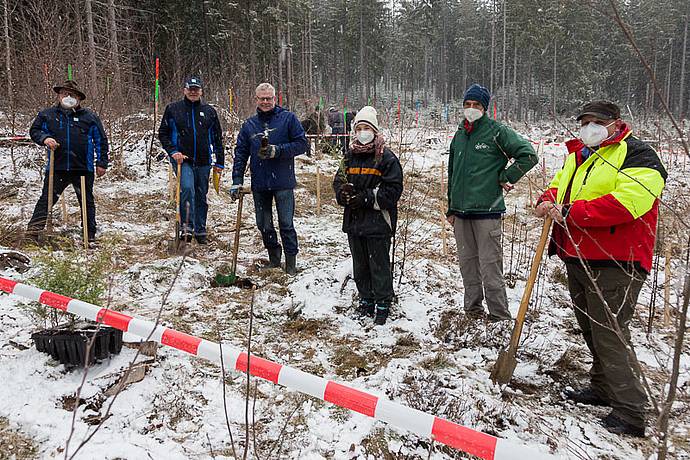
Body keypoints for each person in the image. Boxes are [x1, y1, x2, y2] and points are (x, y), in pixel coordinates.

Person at [535, 101, 666, 437]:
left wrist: (569, 211)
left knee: (610, 334)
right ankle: (602, 387)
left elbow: (629, 202)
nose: (590, 127)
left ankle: (631, 411)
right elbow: (559, 185)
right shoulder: (578, 156)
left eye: (597, 122)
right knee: (591, 329)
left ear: (615, 123)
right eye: (585, 121)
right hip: (578, 256)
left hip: (617, 261)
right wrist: (547, 200)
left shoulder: (638, 155)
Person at [446, 83, 537, 322]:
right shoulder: (459, 134)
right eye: (468, 104)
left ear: (485, 108)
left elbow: (528, 155)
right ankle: (473, 311)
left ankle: (499, 316)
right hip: (461, 214)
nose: (471, 108)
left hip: (487, 212)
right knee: (468, 265)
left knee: (490, 267)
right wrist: (451, 207)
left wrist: (507, 176)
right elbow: (452, 171)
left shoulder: (497, 132)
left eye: (476, 105)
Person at [333, 106, 403, 325]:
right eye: (359, 128)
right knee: (360, 265)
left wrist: (365, 198)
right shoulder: (349, 157)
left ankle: (383, 303)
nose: (363, 132)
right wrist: (342, 194)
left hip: (378, 222)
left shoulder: (386, 158)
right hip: (354, 222)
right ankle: (365, 300)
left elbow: (392, 190)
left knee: (379, 265)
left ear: (374, 130)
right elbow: (338, 181)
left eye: (367, 128)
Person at [230, 82, 308, 275]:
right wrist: (237, 179)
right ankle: (274, 258)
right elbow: (240, 153)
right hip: (260, 183)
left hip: (283, 181)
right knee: (263, 224)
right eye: (262, 98)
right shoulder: (249, 125)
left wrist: (278, 151)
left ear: (275, 99)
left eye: (269, 98)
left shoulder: (288, 119)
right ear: (256, 100)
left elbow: (301, 144)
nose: (265, 102)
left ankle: (291, 264)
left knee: (286, 224)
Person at [27, 80, 109, 243]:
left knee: (86, 201)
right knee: (47, 200)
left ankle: (89, 234)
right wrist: (45, 138)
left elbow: (101, 140)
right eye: (65, 94)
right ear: (59, 96)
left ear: (78, 98)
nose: (68, 97)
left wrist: (102, 162)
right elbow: (34, 131)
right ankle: (33, 232)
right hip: (57, 168)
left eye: (72, 94)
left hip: (83, 168)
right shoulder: (47, 115)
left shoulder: (89, 117)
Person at [158, 76, 225, 244]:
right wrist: (173, 152)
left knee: (201, 194)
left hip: (203, 160)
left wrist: (219, 162)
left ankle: (200, 229)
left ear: (201, 91)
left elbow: (217, 137)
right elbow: (163, 133)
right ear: (185, 90)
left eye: (196, 89)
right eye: (190, 89)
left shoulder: (209, 111)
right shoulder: (173, 109)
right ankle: (187, 226)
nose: (193, 92)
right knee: (187, 188)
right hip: (182, 160)